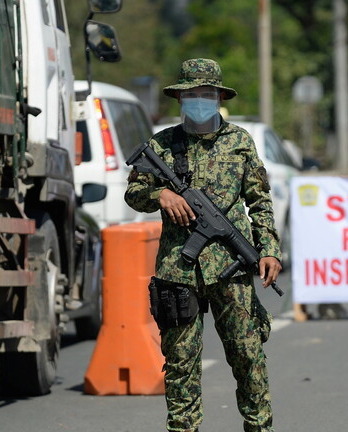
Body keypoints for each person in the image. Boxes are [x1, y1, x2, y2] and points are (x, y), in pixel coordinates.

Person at [124, 58, 281, 432]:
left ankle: (260, 427)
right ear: (180, 98)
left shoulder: (240, 142)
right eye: (191, 95)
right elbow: (134, 192)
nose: (198, 101)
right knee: (180, 364)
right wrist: (161, 194)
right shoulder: (162, 144)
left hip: (231, 269)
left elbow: (260, 201)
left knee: (248, 357)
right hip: (179, 270)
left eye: (205, 95)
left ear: (218, 98)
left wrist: (269, 248)